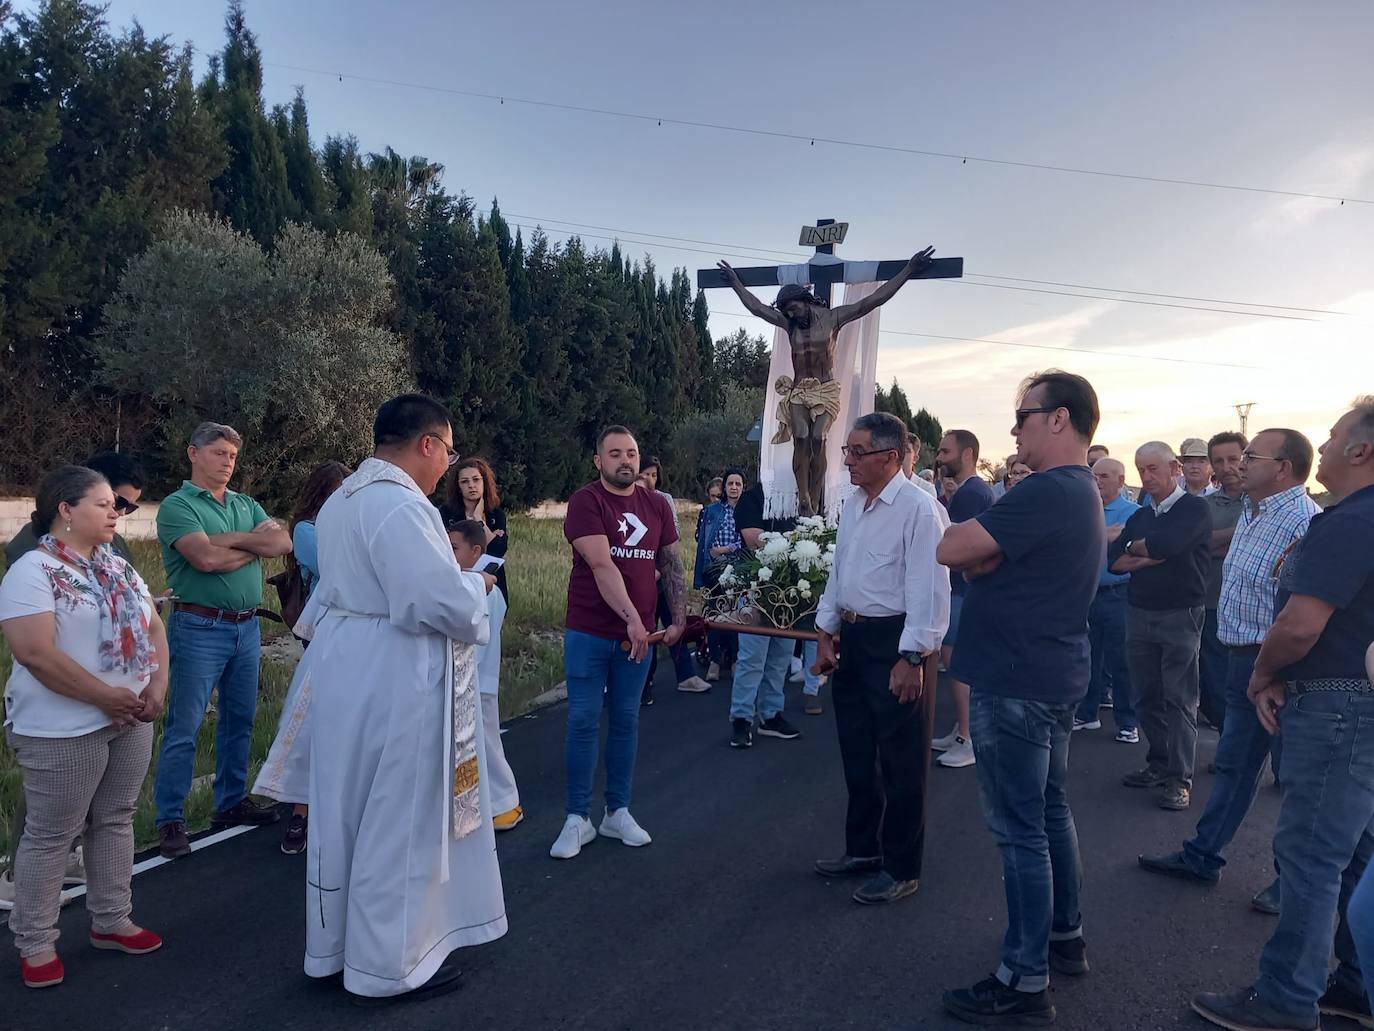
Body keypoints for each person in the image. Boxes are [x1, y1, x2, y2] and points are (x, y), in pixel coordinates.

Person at [301, 393, 504, 1002]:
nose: (448, 463)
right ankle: (387, 966)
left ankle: (335, 950)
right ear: (425, 443)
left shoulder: (344, 499)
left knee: (348, 814)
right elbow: (432, 600)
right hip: (395, 672)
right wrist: (475, 586)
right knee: (399, 816)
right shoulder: (400, 505)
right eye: (447, 448)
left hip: (347, 669)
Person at [1193, 398, 1374, 1031]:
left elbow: (1299, 624)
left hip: (1338, 704)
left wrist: (1265, 673)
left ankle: (1285, 998)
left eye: (1332, 438)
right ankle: (1354, 983)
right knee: (1352, 856)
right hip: (1360, 701)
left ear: (1361, 451)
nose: (1321, 448)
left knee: (1310, 856)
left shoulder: (1348, 521)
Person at [937, 370, 1103, 1025]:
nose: (1015, 428)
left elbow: (954, 547)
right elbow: (978, 557)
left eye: (1023, 415)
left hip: (1015, 681)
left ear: (1059, 418)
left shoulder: (1046, 492)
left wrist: (983, 555)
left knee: (1019, 832)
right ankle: (1064, 936)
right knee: (1050, 812)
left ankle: (1023, 976)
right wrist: (986, 556)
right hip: (1049, 675)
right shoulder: (1076, 490)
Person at [1, 466, 170, 988]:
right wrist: (104, 697)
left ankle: (112, 919)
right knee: (52, 834)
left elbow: (154, 628)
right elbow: (34, 652)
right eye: (104, 504)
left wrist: (155, 689)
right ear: (65, 510)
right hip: (63, 726)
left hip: (129, 717)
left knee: (116, 818)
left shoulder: (118, 567)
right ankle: (35, 941)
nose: (116, 512)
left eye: (116, 506)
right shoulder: (33, 571)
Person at [1138, 430, 1319, 906]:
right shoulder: (1254, 513)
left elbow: (1302, 612)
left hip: (1281, 671)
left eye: (1250, 457)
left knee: (1300, 779)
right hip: (1245, 663)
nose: (1236, 465)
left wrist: (1273, 668)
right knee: (1236, 766)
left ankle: (1294, 883)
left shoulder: (1304, 521)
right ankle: (1202, 857)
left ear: (1282, 468)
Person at [813, 412, 949, 905]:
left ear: (891, 457)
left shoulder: (919, 509)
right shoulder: (853, 504)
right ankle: (863, 850)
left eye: (857, 452)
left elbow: (930, 588)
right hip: (853, 637)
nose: (847, 460)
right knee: (857, 752)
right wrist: (826, 628)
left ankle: (901, 866)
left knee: (900, 759)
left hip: (896, 642)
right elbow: (839, 569)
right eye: (847, 451)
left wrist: (912, 657)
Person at [153, 423, 292, 860]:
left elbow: (283, 540)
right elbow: (205, 559)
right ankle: (170, 817)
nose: (227, 462)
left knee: (240, 719)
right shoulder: (178, 506)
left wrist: (233, 540)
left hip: (247, 627)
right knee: (186, 724)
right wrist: (255, 546)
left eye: (232, 455)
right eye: (218, 453)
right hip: (199, 627)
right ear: (193, 454)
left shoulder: (244, 502)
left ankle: (230, 801)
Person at [551, 426, 685, 860]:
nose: (625, 460)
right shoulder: (587, 502)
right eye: (615, 454)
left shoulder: (657, 505)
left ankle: (617, 811)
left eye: (631, 452)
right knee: (584, 721)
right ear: (598, 461)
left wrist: (680, 617)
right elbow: (601, 564)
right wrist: (631, 619)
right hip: (591, 631)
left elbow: (672, 563)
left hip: (640, 635)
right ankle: (576, 817)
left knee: (626, 720)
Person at [1110, 442, 1212, 811]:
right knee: (1146, 694)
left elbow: (1169, 543)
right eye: (1142, 470)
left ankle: (1179, 779)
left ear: (1175, 468)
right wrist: (1151, 553)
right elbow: (1113, 561)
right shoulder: (1141, 516)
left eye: (1154, 469)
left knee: (1180, 699)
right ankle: (1160, 763)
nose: (1147, 477)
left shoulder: (1195, 509)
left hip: (1180, 614)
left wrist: (1144, 549)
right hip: (1139, 612)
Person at [272, 460, 350, 857]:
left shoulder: (344, 526)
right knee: (313, 720)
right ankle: (301, 811)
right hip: (322, 630)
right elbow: (336, 569)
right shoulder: (305, 529)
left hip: (350, 632)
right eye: (339, 489)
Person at [449, 518, 523, 831]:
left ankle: (507, 802)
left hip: (479, 680)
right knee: (467, 745)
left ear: (476, 551)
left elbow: (477, 638)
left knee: (488, 742)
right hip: (463, 681)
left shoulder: (488, 591)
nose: (447, 554)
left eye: (454, 548)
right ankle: (476, 801)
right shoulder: (464, 585)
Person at [726, 479, 808, 749]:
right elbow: (753, 539)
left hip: (790, 590)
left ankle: (771, 714)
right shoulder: (753, 498)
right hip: (756, 587)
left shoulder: (800, 497)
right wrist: (794, 545)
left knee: (780, 657)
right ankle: (741, 718)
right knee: (752, 657)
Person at [931, 429, 995, 770]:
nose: (939, 458)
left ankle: (968, 738)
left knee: (958, 665)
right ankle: (962, 729)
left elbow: (955, 542)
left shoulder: (972, 493)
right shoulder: (972, 490)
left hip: (962, 592)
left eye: (945, 451)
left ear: (967, 453)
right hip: (961, 590)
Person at [1074, 457, 1141, 740]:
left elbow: (1130, 546)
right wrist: (1106, 534)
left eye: (1104, 476)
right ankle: (1087, 713)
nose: (1097, 481)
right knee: (1087, 656)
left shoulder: (1134, 513)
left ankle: (1127, 722)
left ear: (1121, 481)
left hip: (1118, 594)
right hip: (1086, 593)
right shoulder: (1084, 509)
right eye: (1094, 476)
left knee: (1120, 660)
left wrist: (1094, 534)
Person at [637, 458, 711, 700]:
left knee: (674, 624)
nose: (649, 479)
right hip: (638, 580)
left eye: (653, 475)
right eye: (645, 473)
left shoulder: (663, 501)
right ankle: (643, 684)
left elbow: (672, 538)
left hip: (661, 573)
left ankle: (686, 675)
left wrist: (660, 569)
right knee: (646, 630)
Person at [5, 451, 146, 567]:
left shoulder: (116, 544)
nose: (120, 513)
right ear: (66, 509)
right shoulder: (32, 548)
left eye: (130, 507)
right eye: (118, 502)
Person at [1198, 432, 1248, 732]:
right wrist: (1242, 533)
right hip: (1211, 603)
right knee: (1213, 681)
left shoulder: (1263, 502)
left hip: (1254, 609)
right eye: (1218, 461)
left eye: (1233, 458)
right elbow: (1198, 544)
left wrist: (1219, 541)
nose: (1227, 466)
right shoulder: (1203, 505)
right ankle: (1227, 738)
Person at [443, 457, 509, 603]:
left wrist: (479, 520)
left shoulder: (496, 515)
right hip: (458, 585)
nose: (471, 485)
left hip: (492, 586)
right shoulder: (446, 514)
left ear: (484, 482)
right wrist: (490, 536)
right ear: (458, 487)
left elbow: (498, 550)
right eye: (465, 482)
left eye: (476, 480)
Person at [701, 469, 746, 682]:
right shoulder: (712, 510)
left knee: (737, 615)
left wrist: (726, 549)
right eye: (730, 483)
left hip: (739, 568)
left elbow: (748, 540)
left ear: (743, 486)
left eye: (738, 483)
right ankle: (715, 661)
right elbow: (704, 541)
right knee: (714, 615)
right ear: (725, 487)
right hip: (714, 569)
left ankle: (736, 659)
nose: (734, 487)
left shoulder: (749, 510)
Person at [901, 431, 939, 498]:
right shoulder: (882, 485)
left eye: (906, 451)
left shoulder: (926, 489)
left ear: (915, 458)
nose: (900, 454)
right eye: (899, 449)